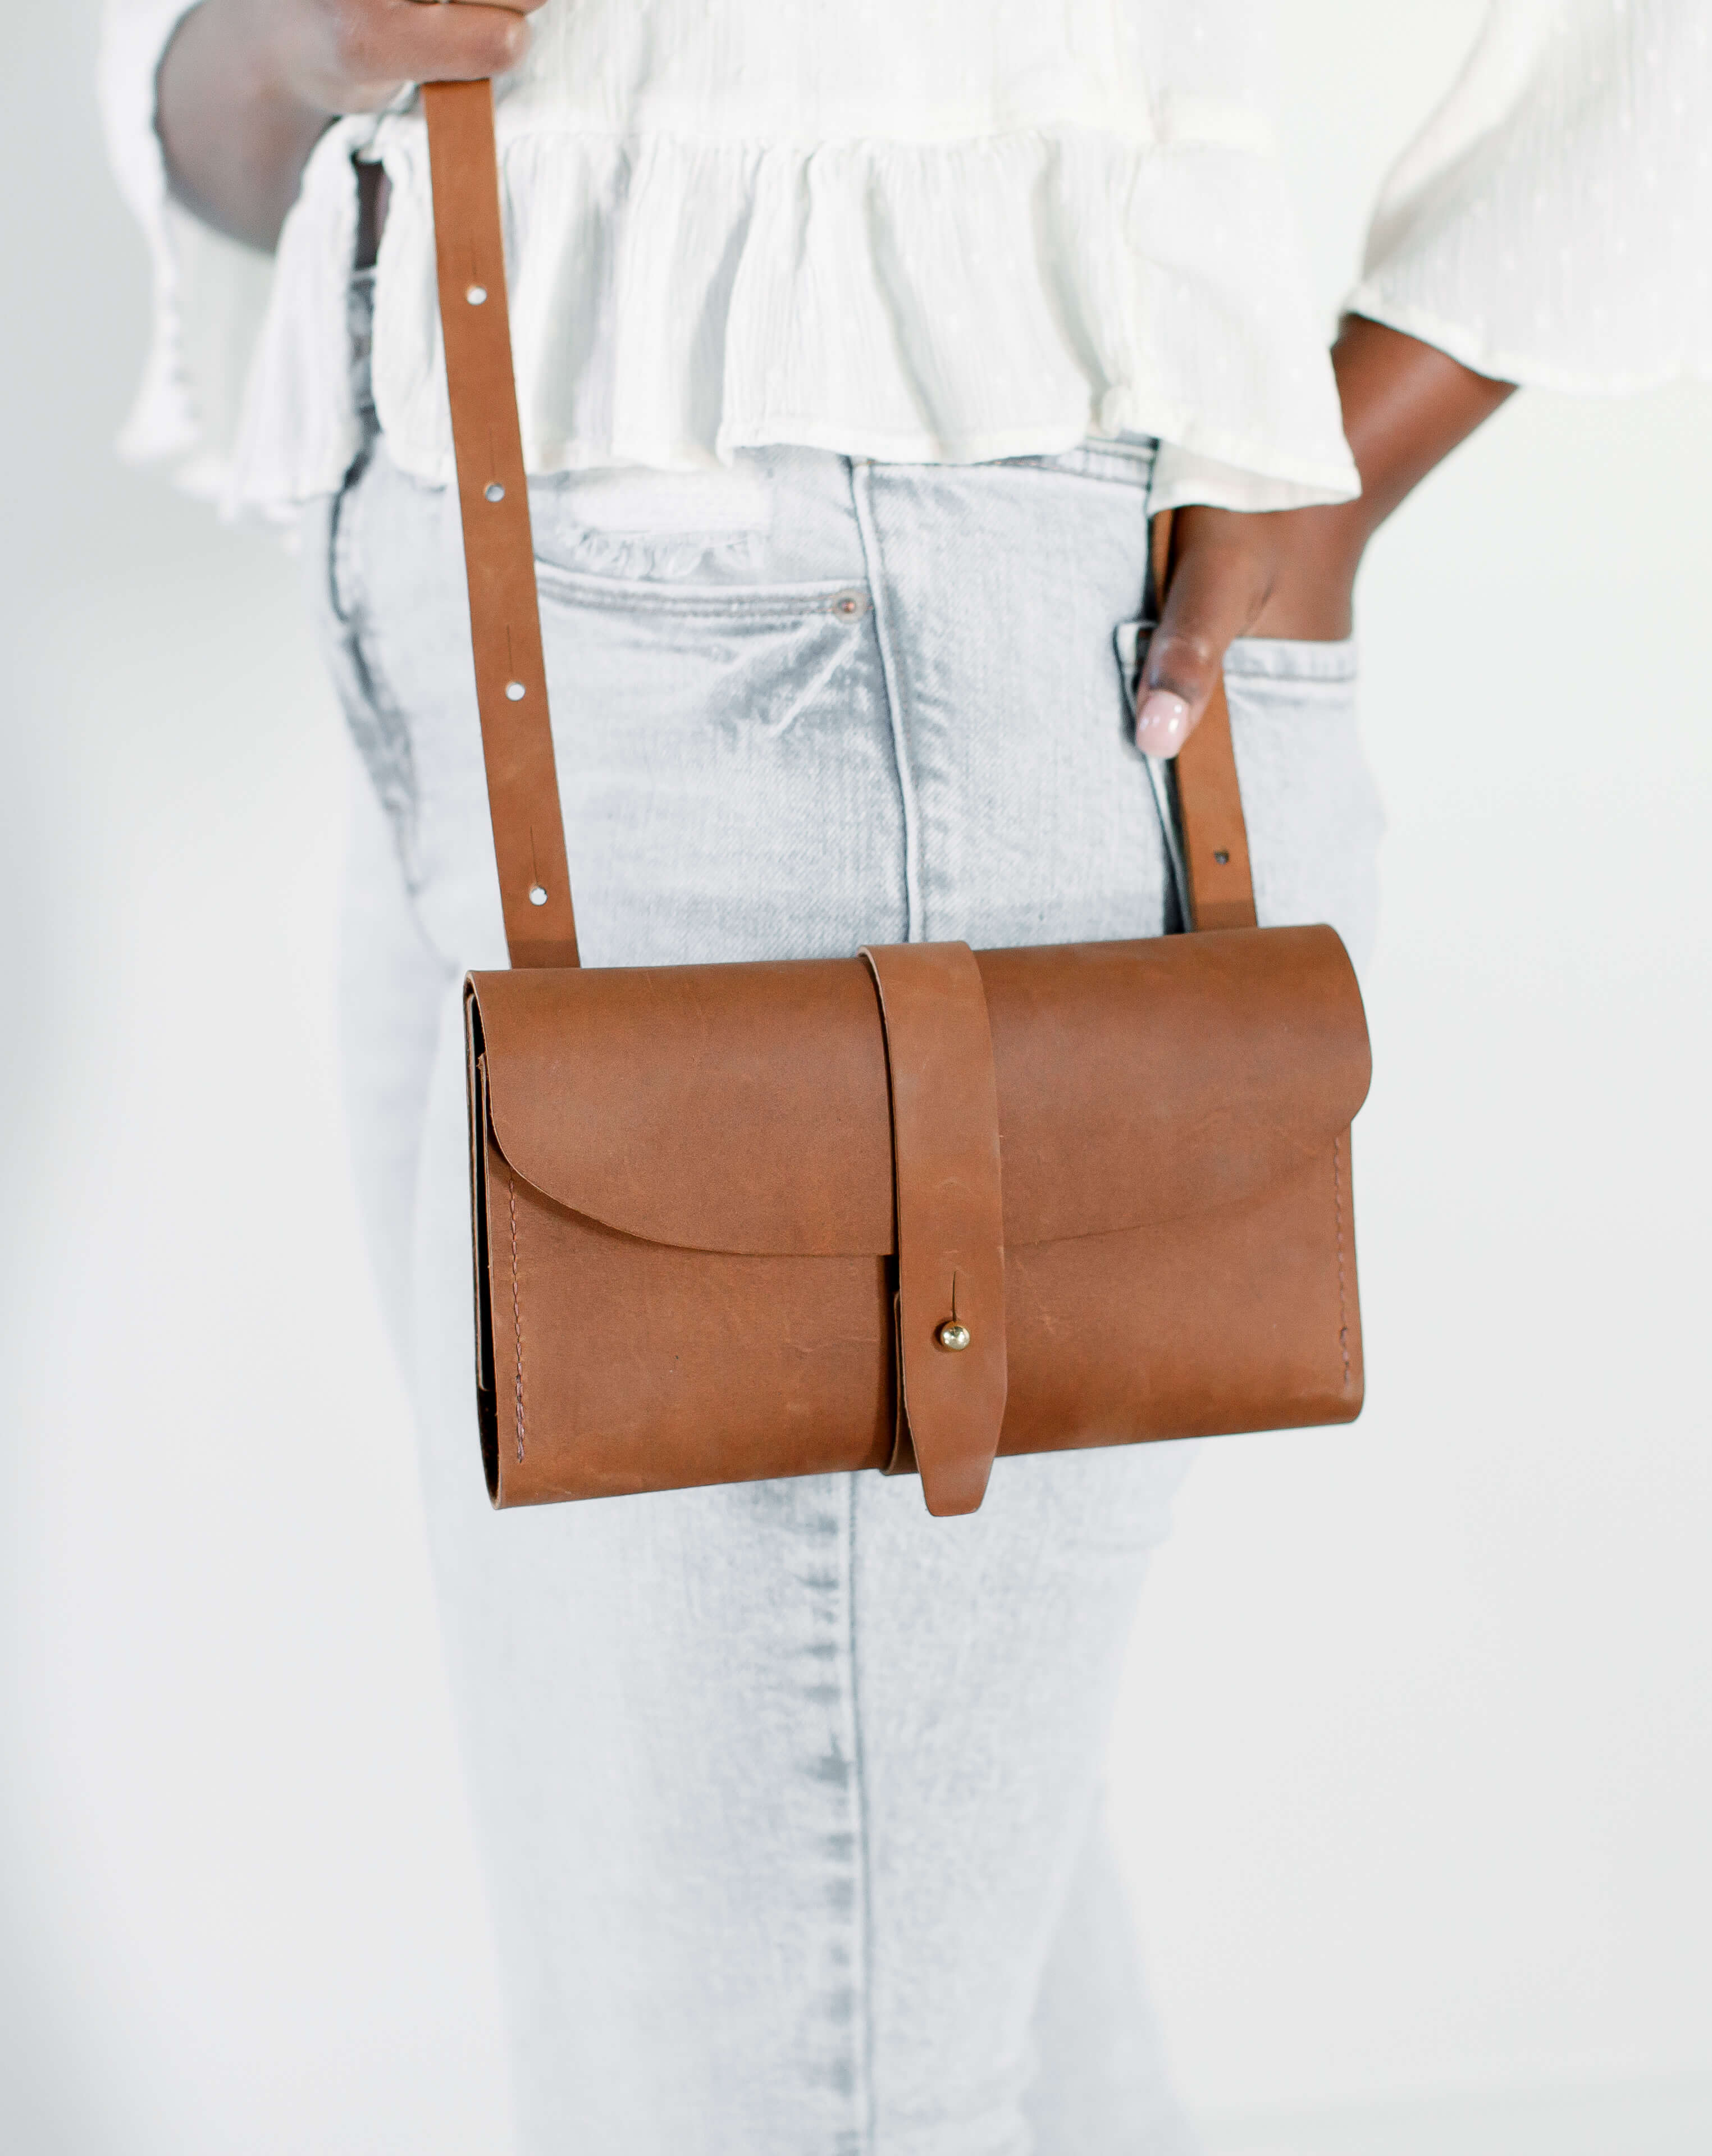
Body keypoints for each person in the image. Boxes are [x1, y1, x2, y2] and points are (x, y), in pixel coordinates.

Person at [101, 2, 1709, 2147]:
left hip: (876, 649)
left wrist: (1338, 464)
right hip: (447, 615)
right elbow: (226, 132)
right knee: (875, 1979)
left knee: (763, 2063)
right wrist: (288, 43)